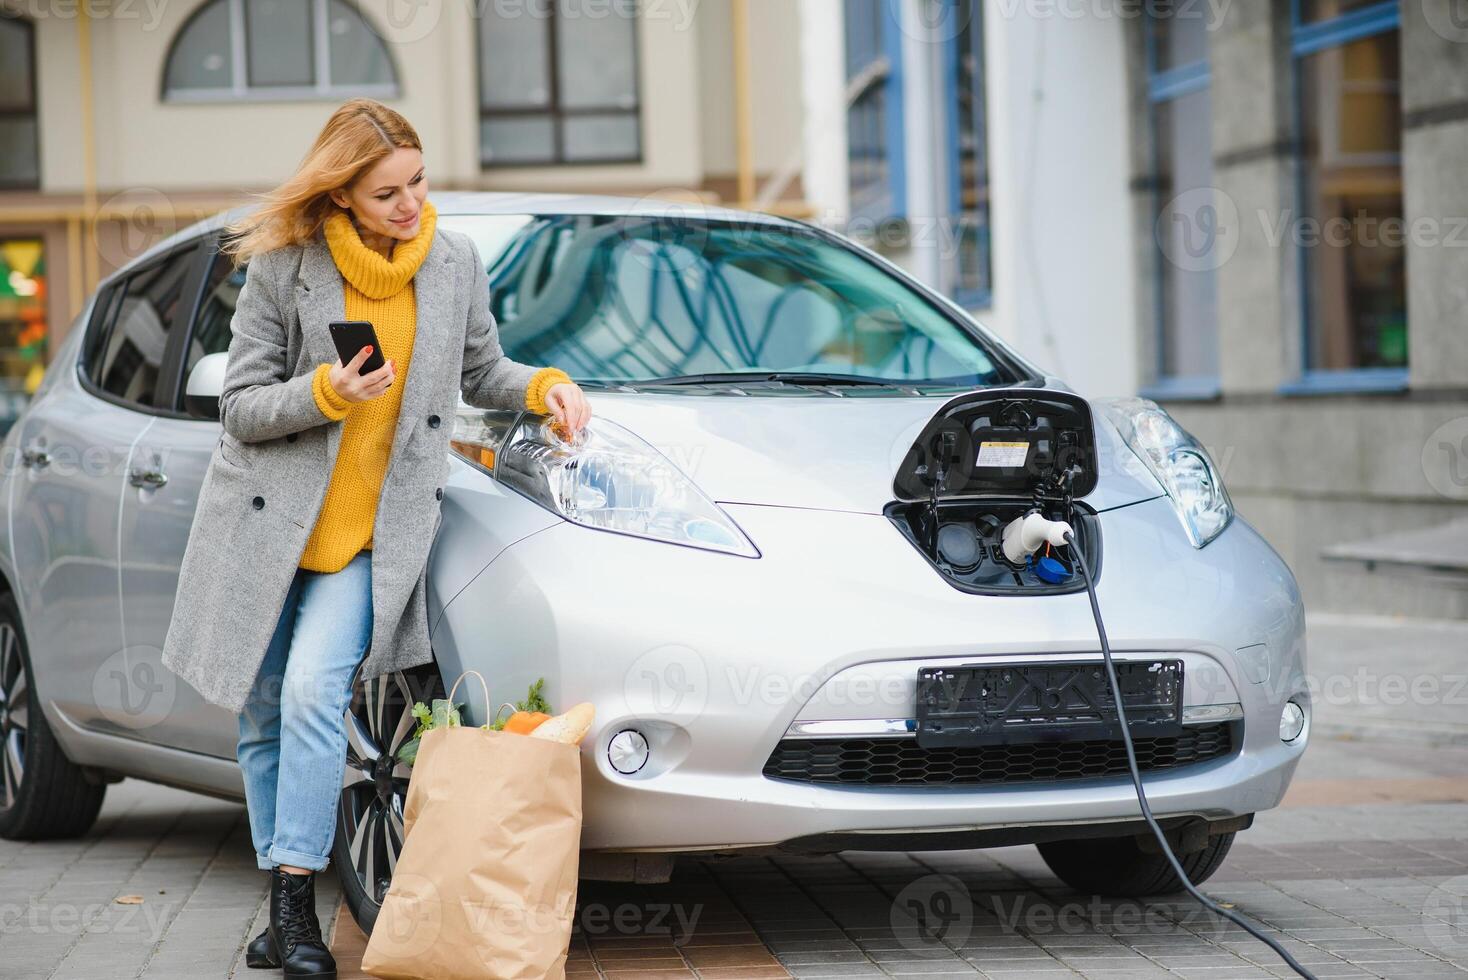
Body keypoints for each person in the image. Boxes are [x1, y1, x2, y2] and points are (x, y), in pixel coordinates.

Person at [159, 97, 591, 980]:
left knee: (318, 695)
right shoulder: (286, 267)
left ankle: (295, 906)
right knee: (262, 716)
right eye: (387, 192)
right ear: (345, 195)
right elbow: (240, 406)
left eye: (418, 182)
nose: (410, 205)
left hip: (369, 537)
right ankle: (282, 917)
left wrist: (545, 384)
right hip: (266, 530)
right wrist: (327, 393)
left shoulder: (454, 260)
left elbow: (482, 370)